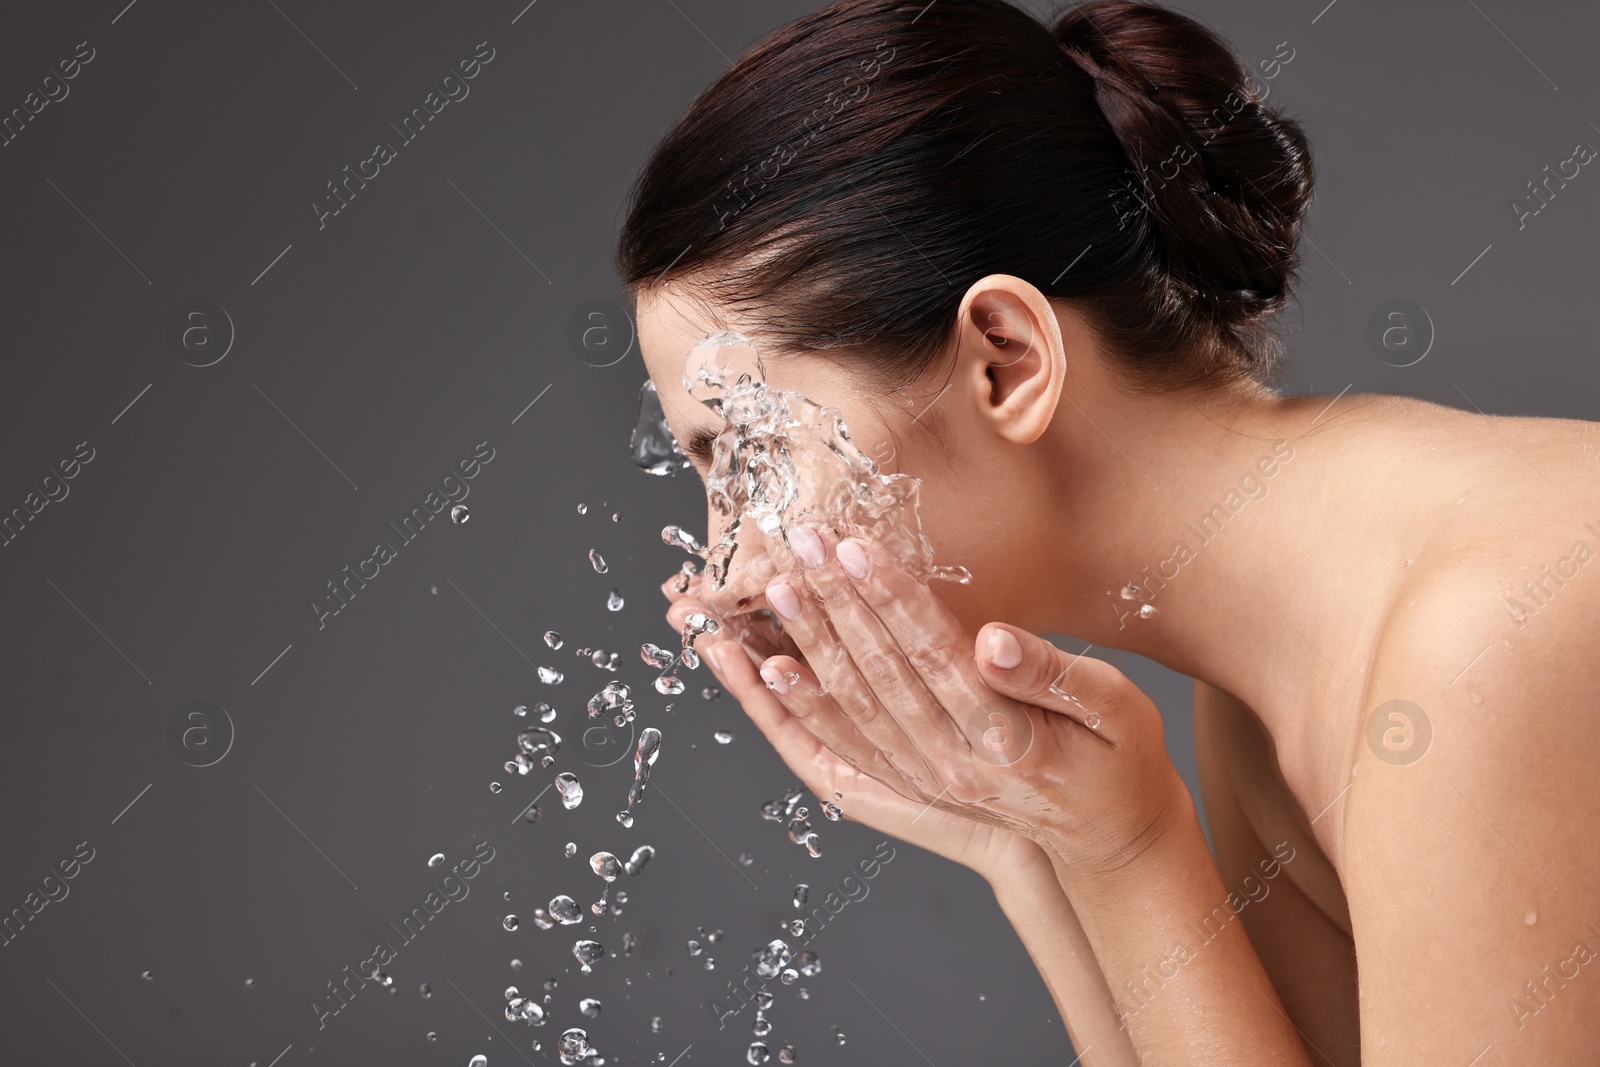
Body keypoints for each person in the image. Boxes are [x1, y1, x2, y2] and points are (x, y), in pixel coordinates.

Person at [615, 1, 1600, 1062]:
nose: (729, 569)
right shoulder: (1262, 692)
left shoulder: (1480, 642)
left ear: (1006, 360)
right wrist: (1041, 847)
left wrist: (1130, 854)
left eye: (748, 452)